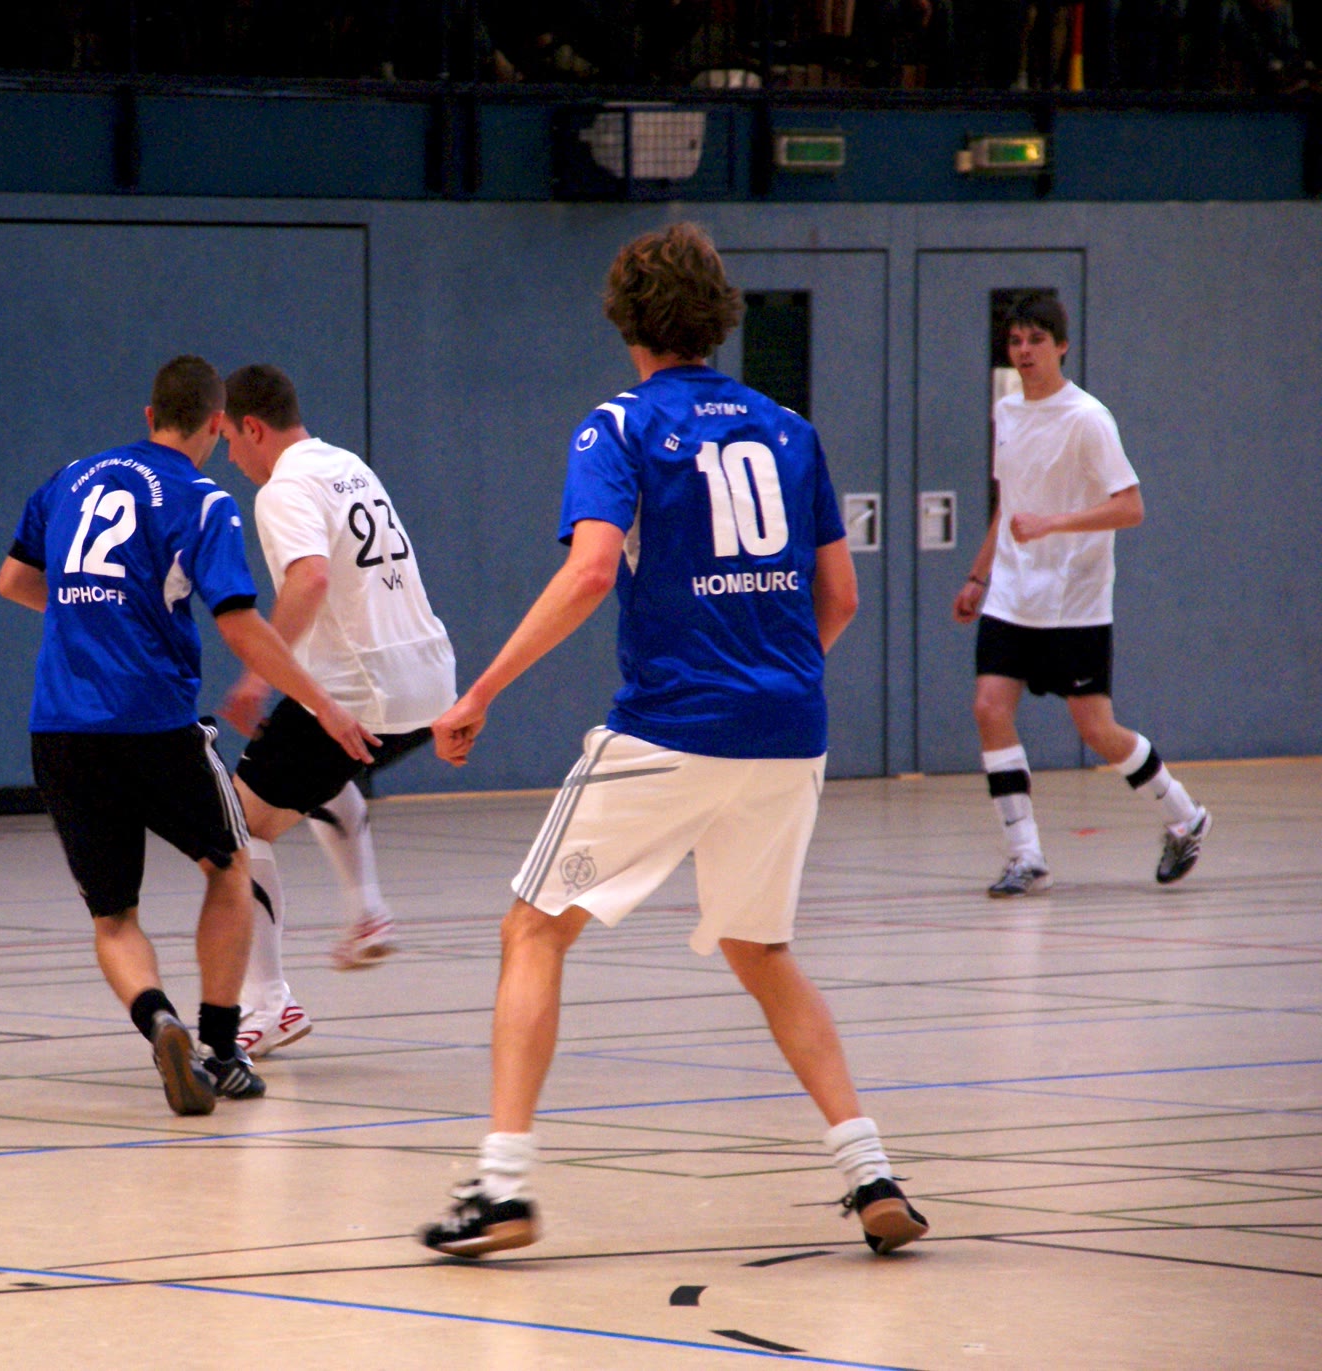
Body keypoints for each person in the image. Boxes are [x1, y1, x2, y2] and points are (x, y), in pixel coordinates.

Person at [416, 223, 928, 1259]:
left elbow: (589, 571)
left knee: (533, 929)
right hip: (789, 732)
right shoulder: (790, 429)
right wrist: (767, 675)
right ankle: (869, 1168)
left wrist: (481, 690)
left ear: (626, 323)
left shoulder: (618, 426)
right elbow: (838, 598)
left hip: (670, 728)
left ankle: (501, 1186)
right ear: (717, 316)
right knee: (761, 950)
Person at [0, 355, 377, 1118]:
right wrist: (322, 705)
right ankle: (223, 1049)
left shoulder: (68, 479)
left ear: (149, 415)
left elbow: (14, 581)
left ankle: (157, 1018)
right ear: (215, 422)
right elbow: (239, 622)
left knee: (114, 917)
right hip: (156, 726)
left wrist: (90, 615)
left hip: (61, 731)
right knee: (230, 865)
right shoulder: (204, 501)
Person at [215, 363, 457, 1057]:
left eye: (229, 440)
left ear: (253, 428)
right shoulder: (347, 465)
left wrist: (259, 671)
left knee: (235, 825)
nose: (230, 457)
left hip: (362, 690)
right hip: (427, 682)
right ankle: (367, 910)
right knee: (317, 772)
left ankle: (270, 1004)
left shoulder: (284, 487)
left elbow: (311, 577)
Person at [952, 295, 1210, 898]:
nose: (1024, 351)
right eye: (1016, 341)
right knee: (989, 707)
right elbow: (1009, 503)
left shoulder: (1088, 418)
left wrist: (1053, 524)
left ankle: (1185, 814)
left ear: (1062, 346)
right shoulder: (1007, 411)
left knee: (1096, 729)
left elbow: (1131, 507)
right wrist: (978, 576)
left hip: (1073, 598)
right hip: (1011, 594)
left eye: (1036, 340)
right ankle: (1026, 855)